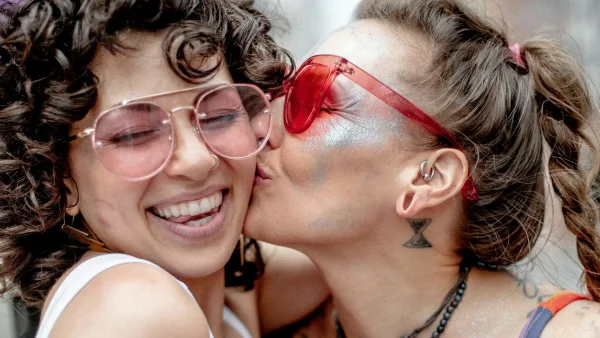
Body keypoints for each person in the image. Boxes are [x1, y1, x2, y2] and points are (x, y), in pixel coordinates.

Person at [245, 0, 600, 336]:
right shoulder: (248, 313)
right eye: (279, 90)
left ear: (427, 178)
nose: (261, 125)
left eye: (315, 98)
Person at [0, 1, 328, 337]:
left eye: (219, 115)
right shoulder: (135, 310)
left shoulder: (237, 296)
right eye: (134, 134)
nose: (197, 160)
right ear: (59, 179)